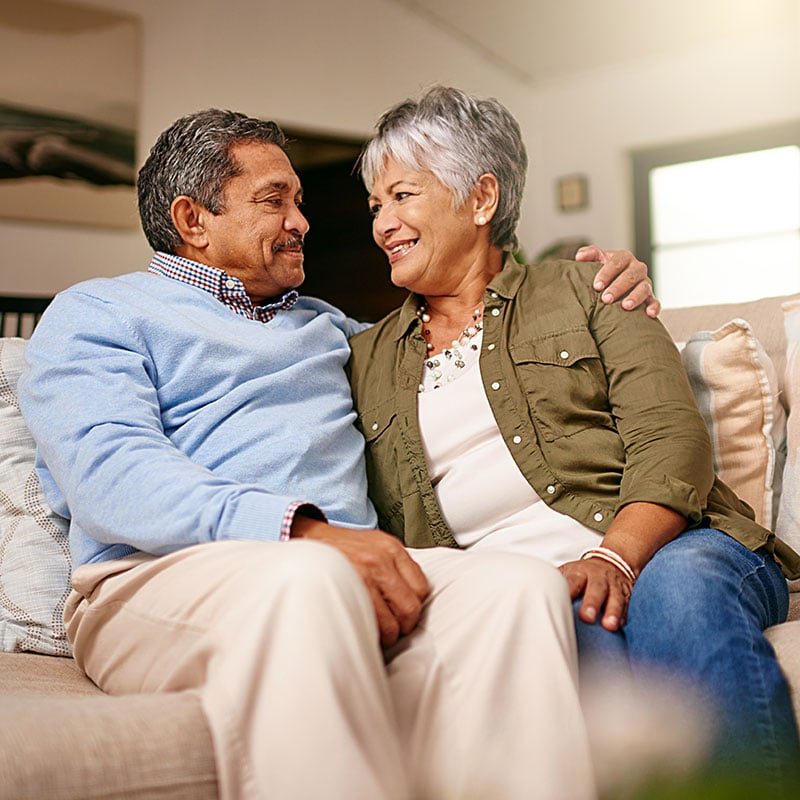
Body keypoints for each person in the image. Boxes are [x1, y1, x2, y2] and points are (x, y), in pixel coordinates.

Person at [17, 108, 654, 800]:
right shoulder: (99, 314)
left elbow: (458, 342)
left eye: (298, 201)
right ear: (193, 221)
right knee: (308, 581)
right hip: (153, 578)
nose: (302, 222)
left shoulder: (327, 327)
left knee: (516, 587)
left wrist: (597, 294)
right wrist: (307, 533)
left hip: (341, 571)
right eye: (274, 202)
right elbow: (113, 478)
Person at [346, 86, 800, 796]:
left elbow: (670, 438)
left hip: (670, 544)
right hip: (521, 589)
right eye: (376, 206)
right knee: (570, 644)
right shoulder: (363, 357)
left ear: (481, 198)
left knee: (677, 596)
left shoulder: (590, 288)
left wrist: (613, 555)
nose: (383, 224)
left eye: (402, 196)